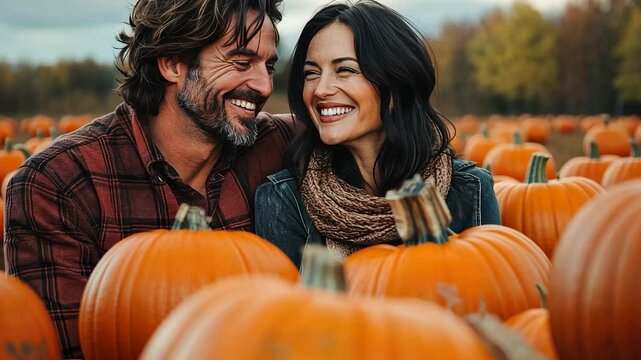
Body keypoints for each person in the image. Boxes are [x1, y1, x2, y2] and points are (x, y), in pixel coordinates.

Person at [4, 0, 292, 357]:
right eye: (240, 62)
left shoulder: (276, 144)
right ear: (172, 64)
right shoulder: (60, 182)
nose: (264, 86)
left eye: (269, 65)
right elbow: (68, 349)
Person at [254, 0, 500, 269]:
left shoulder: (469, 190)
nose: (321, 89)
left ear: (395, 84)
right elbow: (283, 309)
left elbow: (492, 297)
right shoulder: (283, 200)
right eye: (311, 73)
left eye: (345, 70)